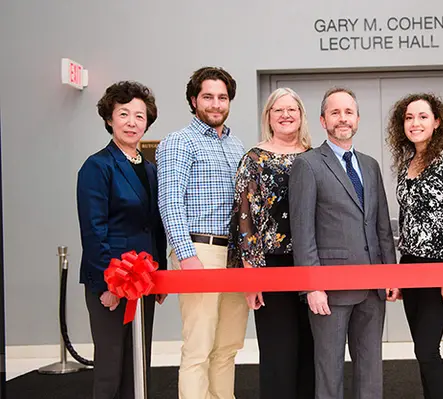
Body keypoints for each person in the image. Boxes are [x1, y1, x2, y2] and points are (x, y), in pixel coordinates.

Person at [289, 87, 397, 399]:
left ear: (358, 119)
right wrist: (312, 285)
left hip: (373, 288)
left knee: (370, 368)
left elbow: (380, 226)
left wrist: (390, 275)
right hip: (331, 290)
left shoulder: (370, 165)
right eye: (335, 113)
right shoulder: (307, 165)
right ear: (323, 120)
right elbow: (303, 230)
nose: (342, 118)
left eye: (348, 112)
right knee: (329, 369)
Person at [156, 66, 248, 399]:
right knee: (198, 348)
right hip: (200, 252)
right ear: (193, 100)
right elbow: (169, 202)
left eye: (222, 97)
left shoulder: (237, 145)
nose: (215, 104)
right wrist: (186, 255)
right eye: (208, 96)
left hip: (234, 257)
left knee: (227, 347)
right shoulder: (178, 142)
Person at [76, 81, 167, 399]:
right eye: (124, 113)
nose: (132, 122)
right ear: (109, 118)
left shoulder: (152, 169)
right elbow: (93, 230)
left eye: (139, 116)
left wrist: (161, 276)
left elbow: (156, 226)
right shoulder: (97, 166)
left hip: (145, 279)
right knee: (110, 367)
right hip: (112, 280)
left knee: (139, 365)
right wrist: (107, 284)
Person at [227, 87, 315, 398]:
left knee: (310, 348)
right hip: (270, 265)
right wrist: (252, 275)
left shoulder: (315, 156)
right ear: (269, 117)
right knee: (279, 349)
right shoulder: (253, 159)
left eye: (293, 109)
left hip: (310, 264)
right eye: (279, 110)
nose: (286, 115)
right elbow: (245, 218)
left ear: (302, 116)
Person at [385, 93, 443, 399]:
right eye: (409, 117)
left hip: (438, 266)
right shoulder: (408, 162)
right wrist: (397, 273)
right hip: (409, 264)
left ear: (436, 122)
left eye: (422, 116)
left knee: (427, 347)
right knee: (421, 348)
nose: (415, 123)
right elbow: (405, 221)